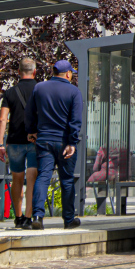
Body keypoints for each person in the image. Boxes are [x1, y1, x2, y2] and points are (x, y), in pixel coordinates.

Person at [25, 59, 83, 230]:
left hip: (44, 140)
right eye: (71, 72)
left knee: (43, 176)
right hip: (65, 142)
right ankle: (68, 219)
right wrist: (72, 141)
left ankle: (37, 216)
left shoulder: (39, 88)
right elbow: (76, 119)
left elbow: (29, 113)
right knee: (66, 180)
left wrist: (31, 131)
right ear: (68, 74)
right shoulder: (74, 91)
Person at [0, 57, 40, 228]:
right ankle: (29, 218)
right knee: (32, 179)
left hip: (14, 142)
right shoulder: (40, 89)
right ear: (35, 71)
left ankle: (18, 216)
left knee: (17, 178)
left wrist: (0, 144)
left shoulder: (10, 93)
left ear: (18, 72)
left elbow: (2, 119)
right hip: (35, 141)